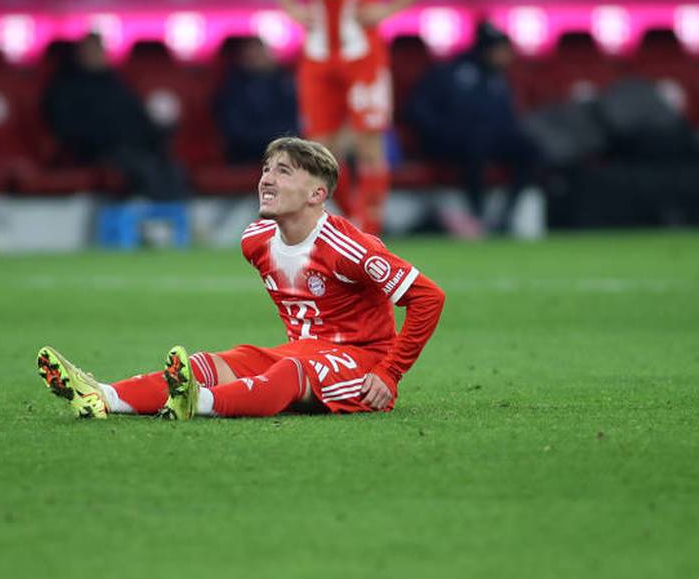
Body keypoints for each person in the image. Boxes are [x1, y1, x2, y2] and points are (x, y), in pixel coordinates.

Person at [36, 136, 445, 420]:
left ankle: (201, 403)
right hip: (303, 351)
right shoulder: (256, 241)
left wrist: (389, 373)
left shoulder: (348, 248)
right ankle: (102, 396)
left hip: (362, 365)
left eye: (283, 172)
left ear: (316, 195)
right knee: (206, 363)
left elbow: (429, 297)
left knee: (284, 376)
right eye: (266, 169)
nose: (266, 179)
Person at [259, 0, 446, 235]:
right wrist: (290, 6)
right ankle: (354, 225)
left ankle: (370, 231)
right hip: (318, 52)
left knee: (368, 143)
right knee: (319, 151)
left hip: (362, 52)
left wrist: (389, 8)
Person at [408, 22, 543, 232]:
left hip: (488, 141)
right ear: (487, 50)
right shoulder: (449, 72)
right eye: (501, 50)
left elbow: (506, 119)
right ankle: (476, 214)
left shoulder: (498, 78)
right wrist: (440, 133)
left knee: (529, 149)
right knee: (476, 144)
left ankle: (509, 210)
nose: (506, 56)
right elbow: (419, 111)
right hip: (450, 143)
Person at [42, 33, 187, 200]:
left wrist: (157, 134)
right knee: (145, 169)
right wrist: (102, 139)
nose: (97, 55)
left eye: (99, 50)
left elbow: (137, 117)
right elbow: (66, 126)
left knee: (173, 168)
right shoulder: (66, 87)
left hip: (132, 148)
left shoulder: (115, 83)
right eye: (91, 50)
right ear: (80, 54)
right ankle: (156, 218)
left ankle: (175, 218)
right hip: (97, 150)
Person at [214, 37, 299, 164]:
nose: (259, 57)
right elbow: (237, 132)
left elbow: (299, 120)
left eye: (261, 51)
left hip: (291, 149)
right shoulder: (233, 89)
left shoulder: (287, 82)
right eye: (251, 53)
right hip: (249, 154)